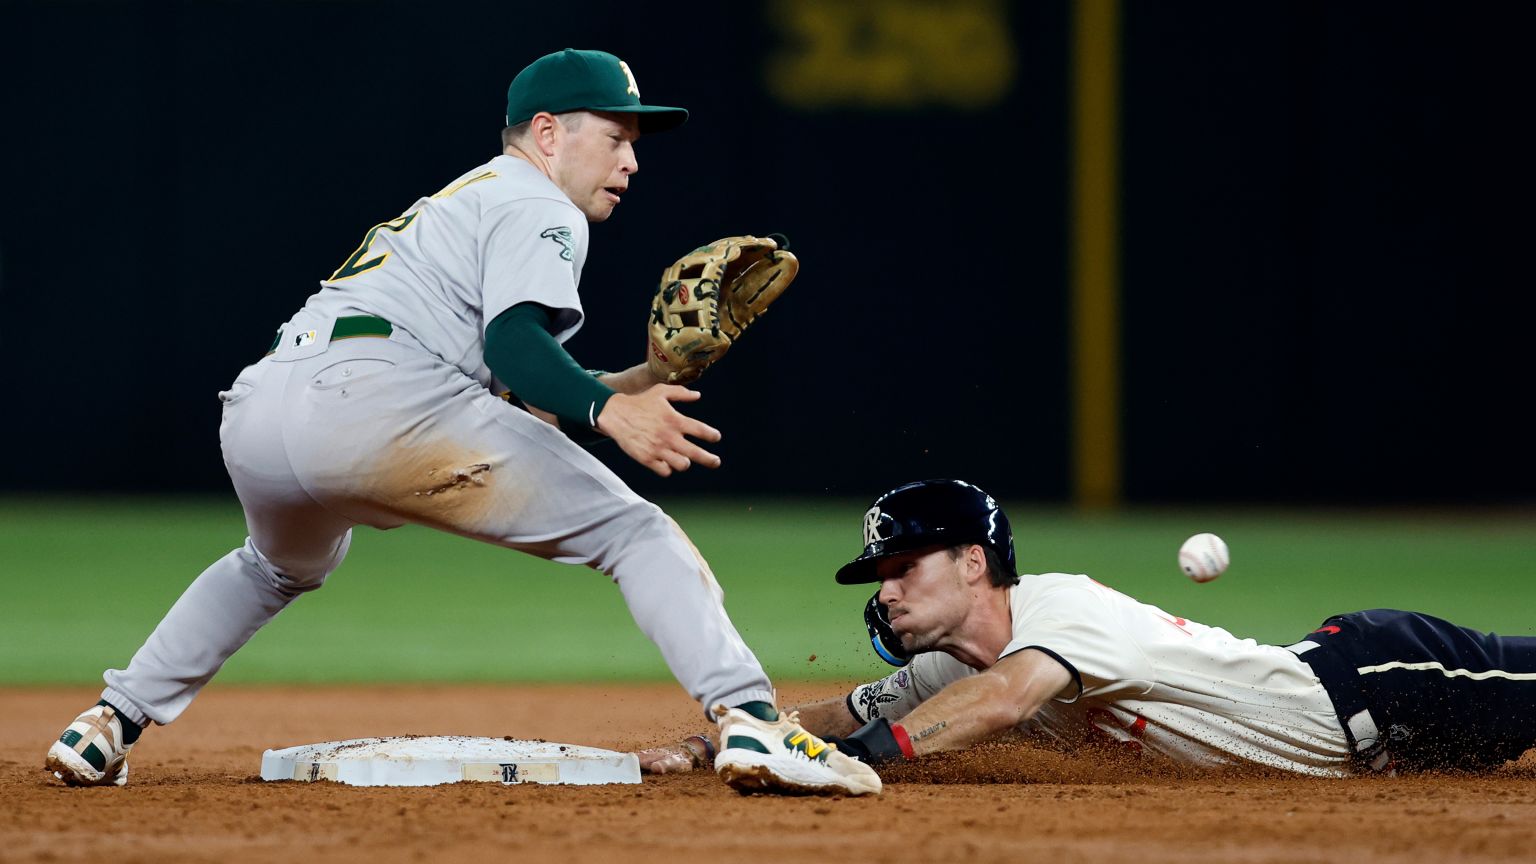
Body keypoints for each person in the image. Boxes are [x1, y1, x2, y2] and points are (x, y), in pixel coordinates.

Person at [45, 48, 879, 798]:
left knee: (275, 564)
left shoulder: (468, 199)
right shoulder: (539, 206)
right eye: (614, 136)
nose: (630, 159)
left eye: (636, 143)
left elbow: (513, 389)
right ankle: (749, 720)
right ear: (547, 133)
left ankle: (108, 723)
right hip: (381, 403)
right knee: (637, 535)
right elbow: (513, 345)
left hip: (264, 410)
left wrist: (641, 379)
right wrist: (612, 412)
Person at [641, 479, 1536, 778]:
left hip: (1382, 678)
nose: (888, 591)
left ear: (973, 564)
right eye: (879, 576)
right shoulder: (945, 671)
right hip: (1382, 759)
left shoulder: (1058, 607)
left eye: (903, 567)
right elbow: (834, 714)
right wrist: (721, 740)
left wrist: (864, 757)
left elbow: (1007, 699)